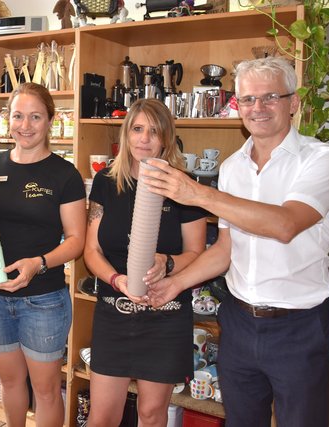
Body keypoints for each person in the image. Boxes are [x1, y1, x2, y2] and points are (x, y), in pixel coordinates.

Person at [143, 57, 329, 427]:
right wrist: (173, 284)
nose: (258, 108)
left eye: (270, 97)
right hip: (238, 322)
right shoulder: (234, 166)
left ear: (293, 103)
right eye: (248, 100)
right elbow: (224, 249)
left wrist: (199, 194)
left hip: (299, 326)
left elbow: (285, 224)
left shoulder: (321, 159)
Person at [83, 98, 207, 427]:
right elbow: (92, 250)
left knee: (152, 415)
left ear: (166, 138)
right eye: (137, 129)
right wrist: (115, 279)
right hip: (115, 311)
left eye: (154, 131)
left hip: (165, 314)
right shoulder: (107, 182)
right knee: (102, 417)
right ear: (126, 135)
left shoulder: (184, 185)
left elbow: (196, 253)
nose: (144, 139)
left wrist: (167, 263)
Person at [0, 82, 86, 427]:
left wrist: (38, 263)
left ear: (50, 120)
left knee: (47, 389)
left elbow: (76, 241)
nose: (25, 125)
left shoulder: (65, 175)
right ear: (8, 119)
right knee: (9, 381)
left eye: (35, 116)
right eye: (18, 116)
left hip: (44, 299)